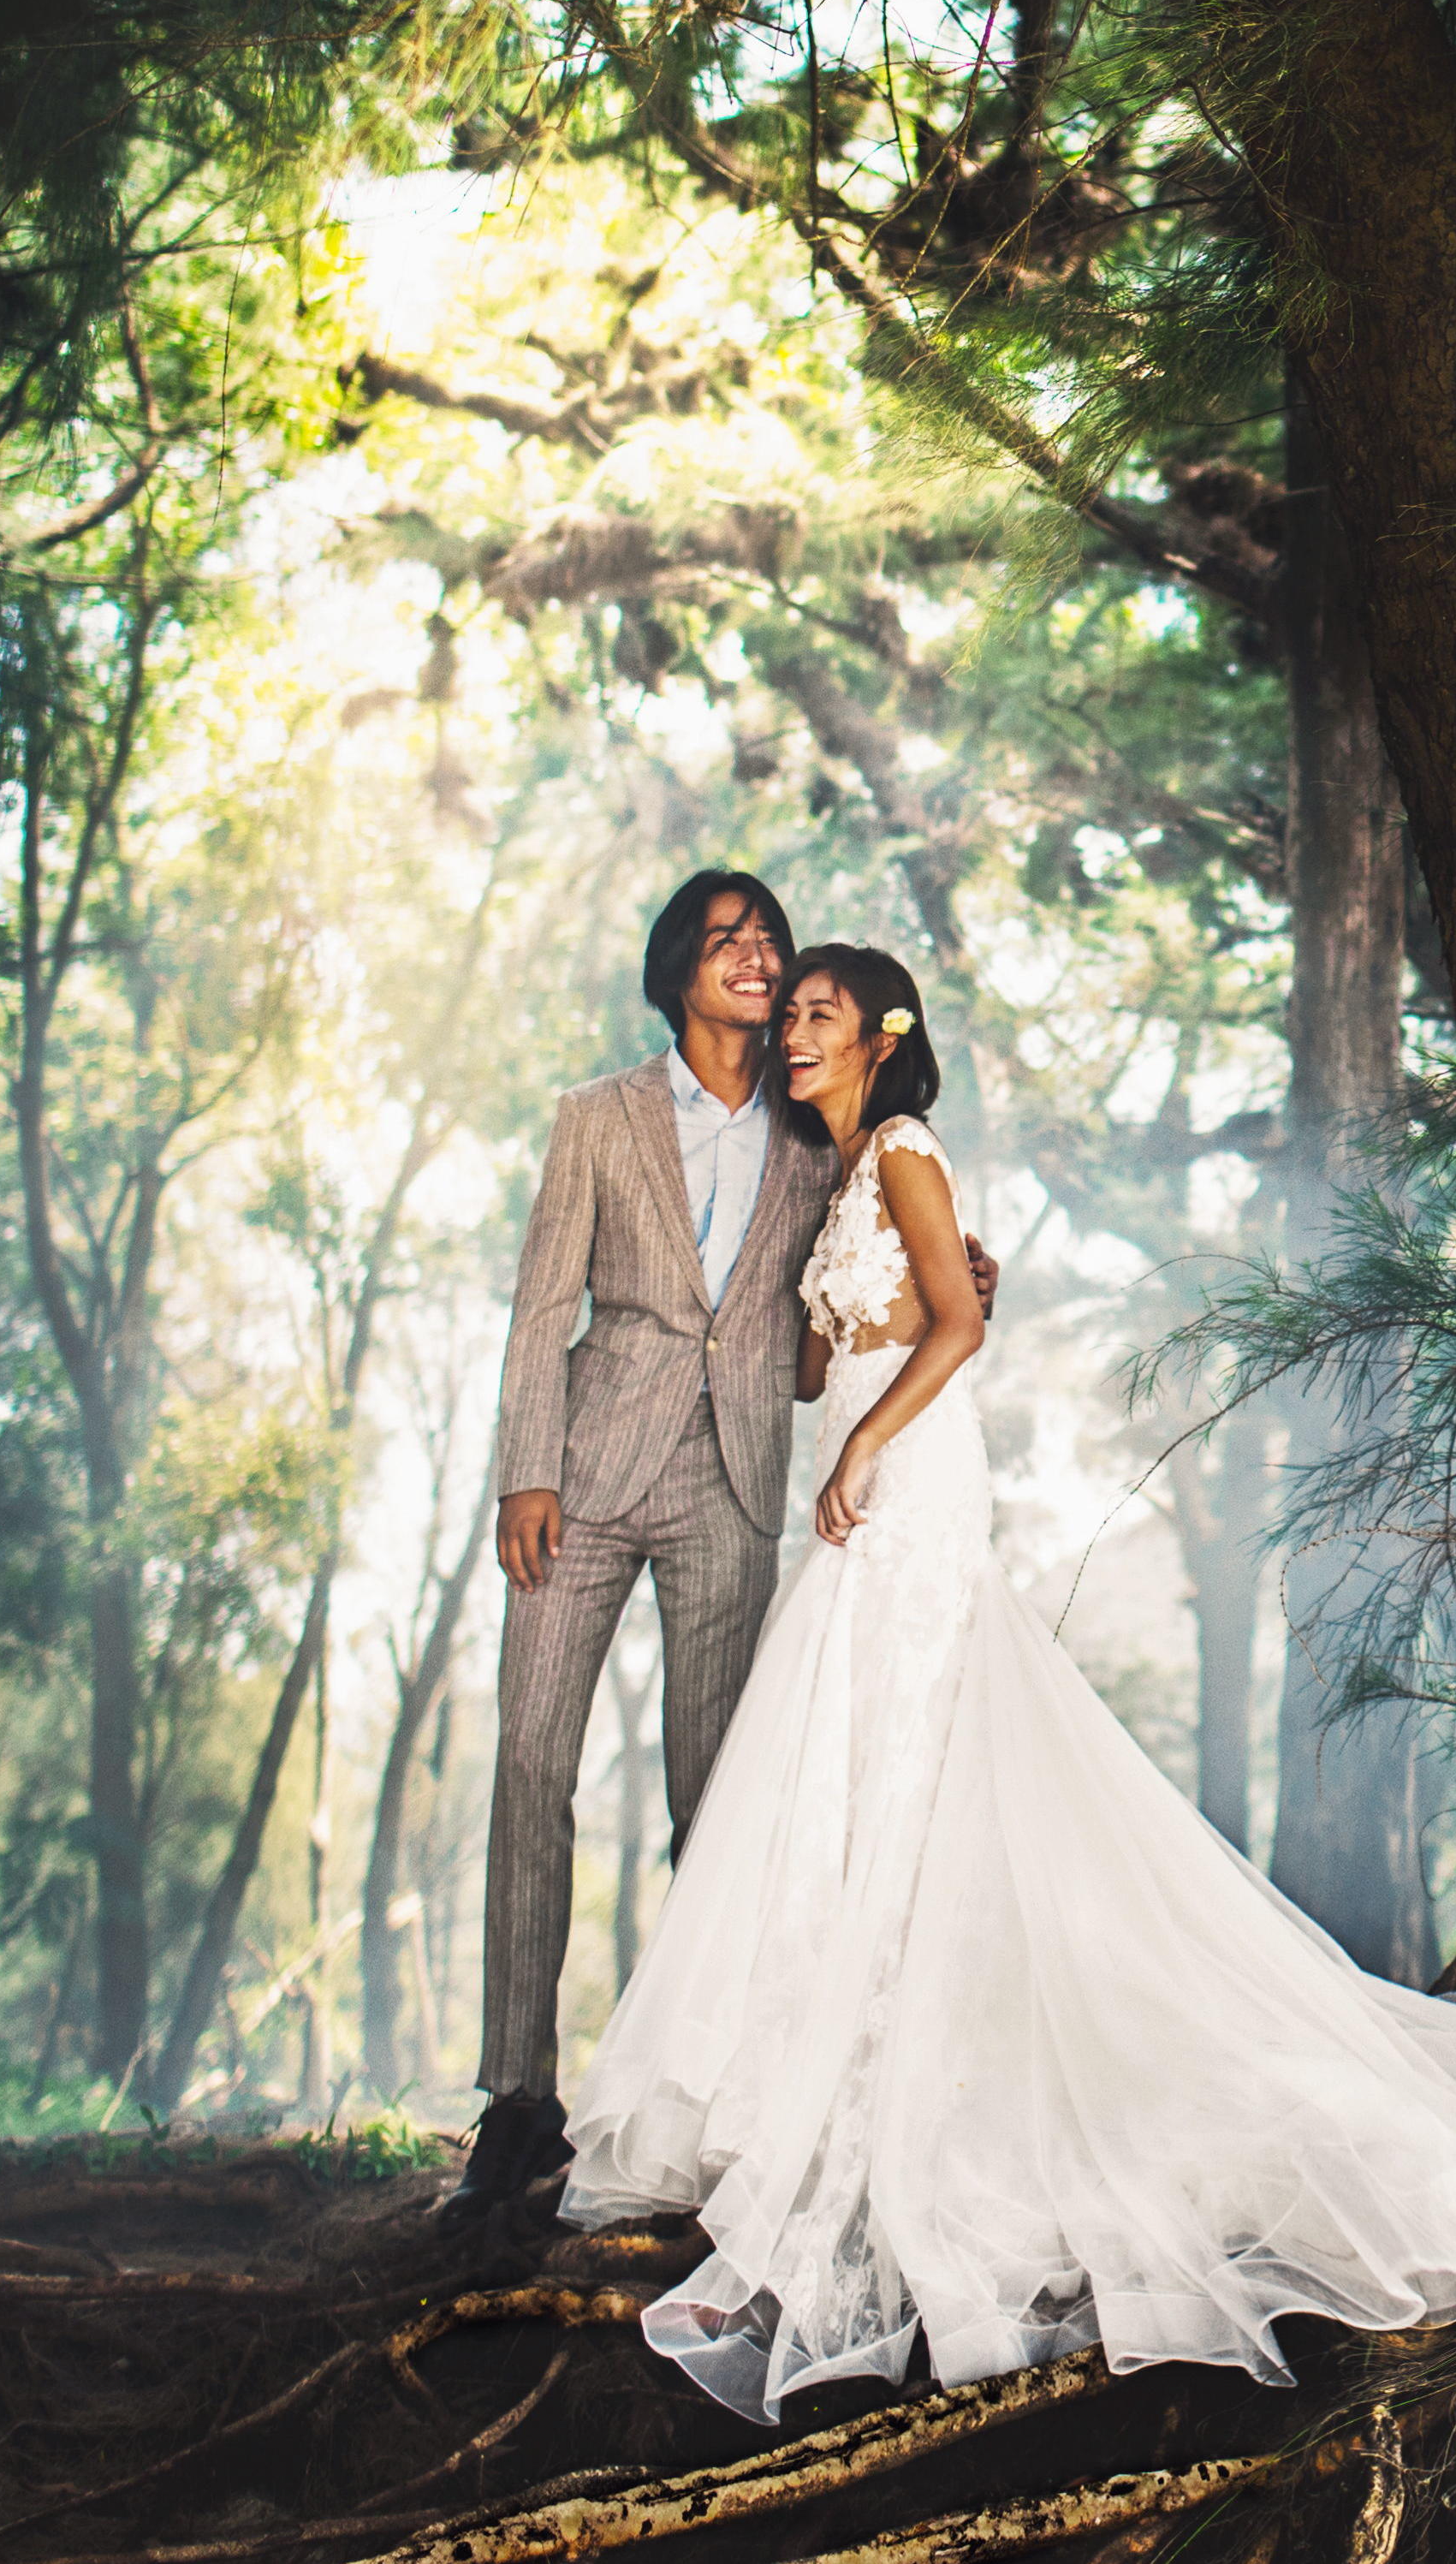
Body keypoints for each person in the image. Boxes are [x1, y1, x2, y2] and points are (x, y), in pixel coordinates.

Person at [558, 947, 1456, 2415]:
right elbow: (822, 1370)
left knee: (911, 1764)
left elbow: (956, 1328)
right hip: (852, 1493)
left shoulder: (908, 1152)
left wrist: (875, 1444)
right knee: (839, 1776)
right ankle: (827, 2078)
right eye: (793, 1015)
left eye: (820, 1014)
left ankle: (915, 2095)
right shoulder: (828, 1186)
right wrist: (816, 1363)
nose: (795, 1033)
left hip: (915, 1491)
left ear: (885, 1039)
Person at [460, 871, 988, 2210]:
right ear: (678, 972)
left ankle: (726, 2091)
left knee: (729, 1793)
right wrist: (526, 1471)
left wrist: (973, 1279)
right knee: (532, 1767)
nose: (757, 957)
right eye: (728, 940)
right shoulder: (597, 1120)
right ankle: (518, 2101)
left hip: (742, 1488)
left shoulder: (824, 1133)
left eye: (771, 940)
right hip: (581, 1478)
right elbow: (539, 1312)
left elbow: (889, 1276)